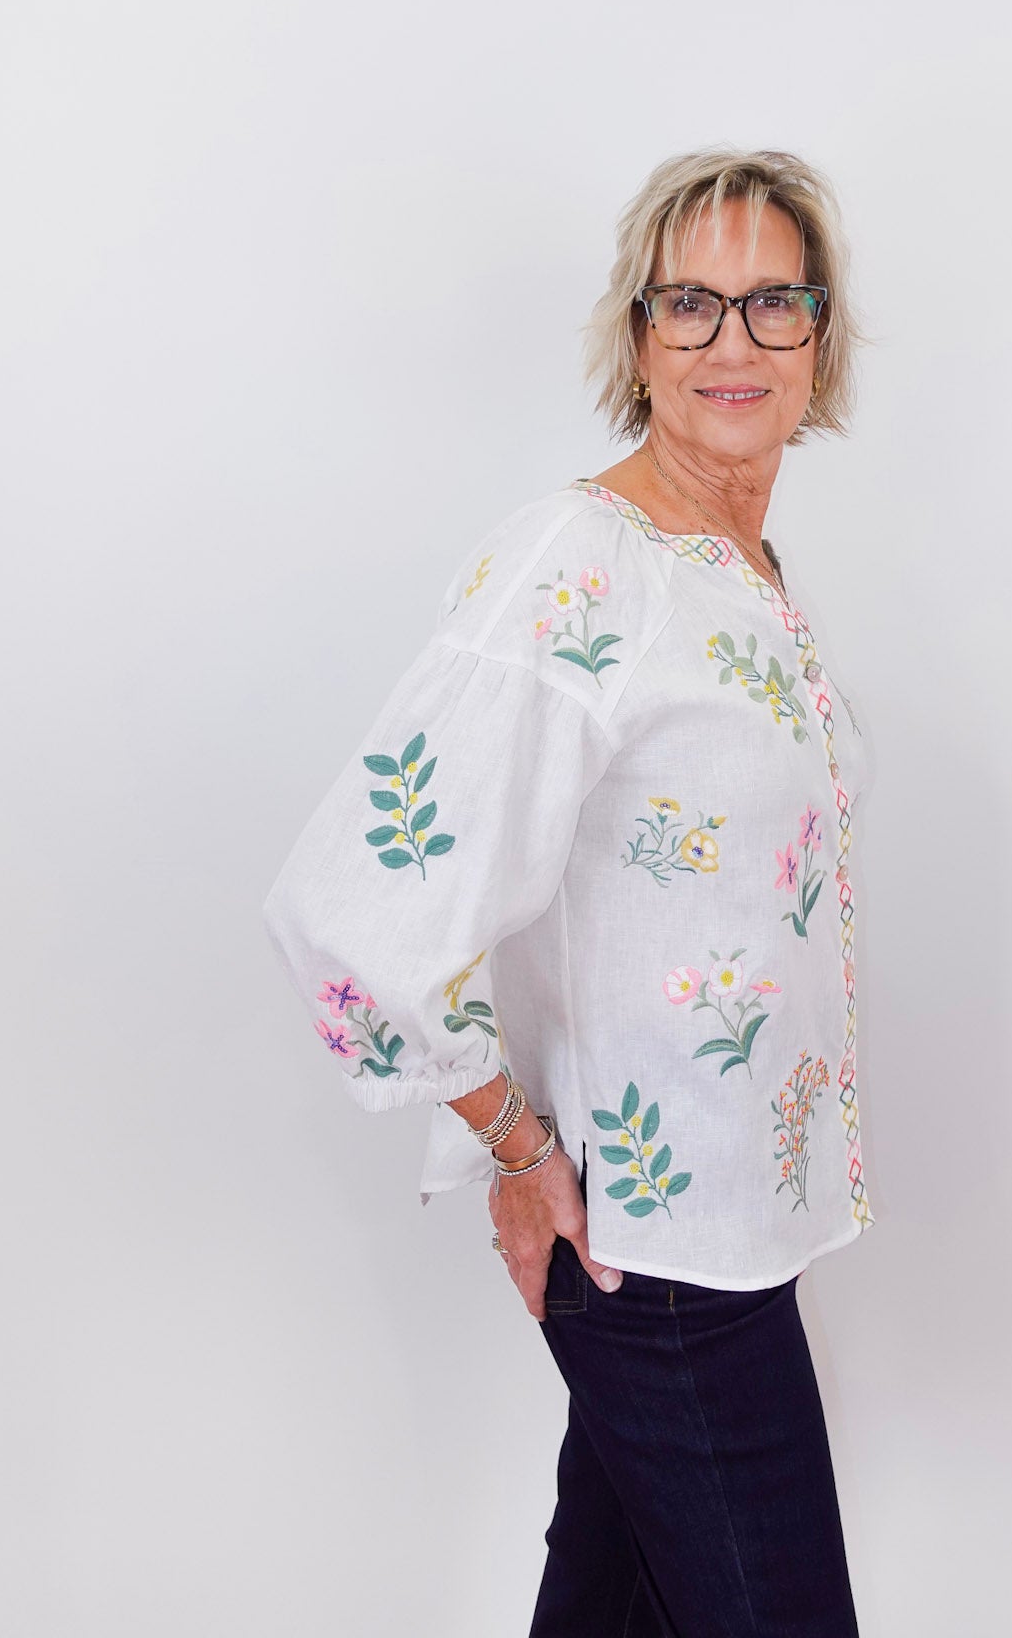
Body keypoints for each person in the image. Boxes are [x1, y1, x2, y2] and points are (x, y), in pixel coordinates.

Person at [262, 147, 878, 1636]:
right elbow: (348, 899)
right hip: (651, 1257)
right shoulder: (582, 569)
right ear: (639, 338)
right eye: (692, 304)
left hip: (733, 1227)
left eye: (773, 303)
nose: (734, 343)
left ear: (821, 336)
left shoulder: (736, 563)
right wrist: (513, 1143)